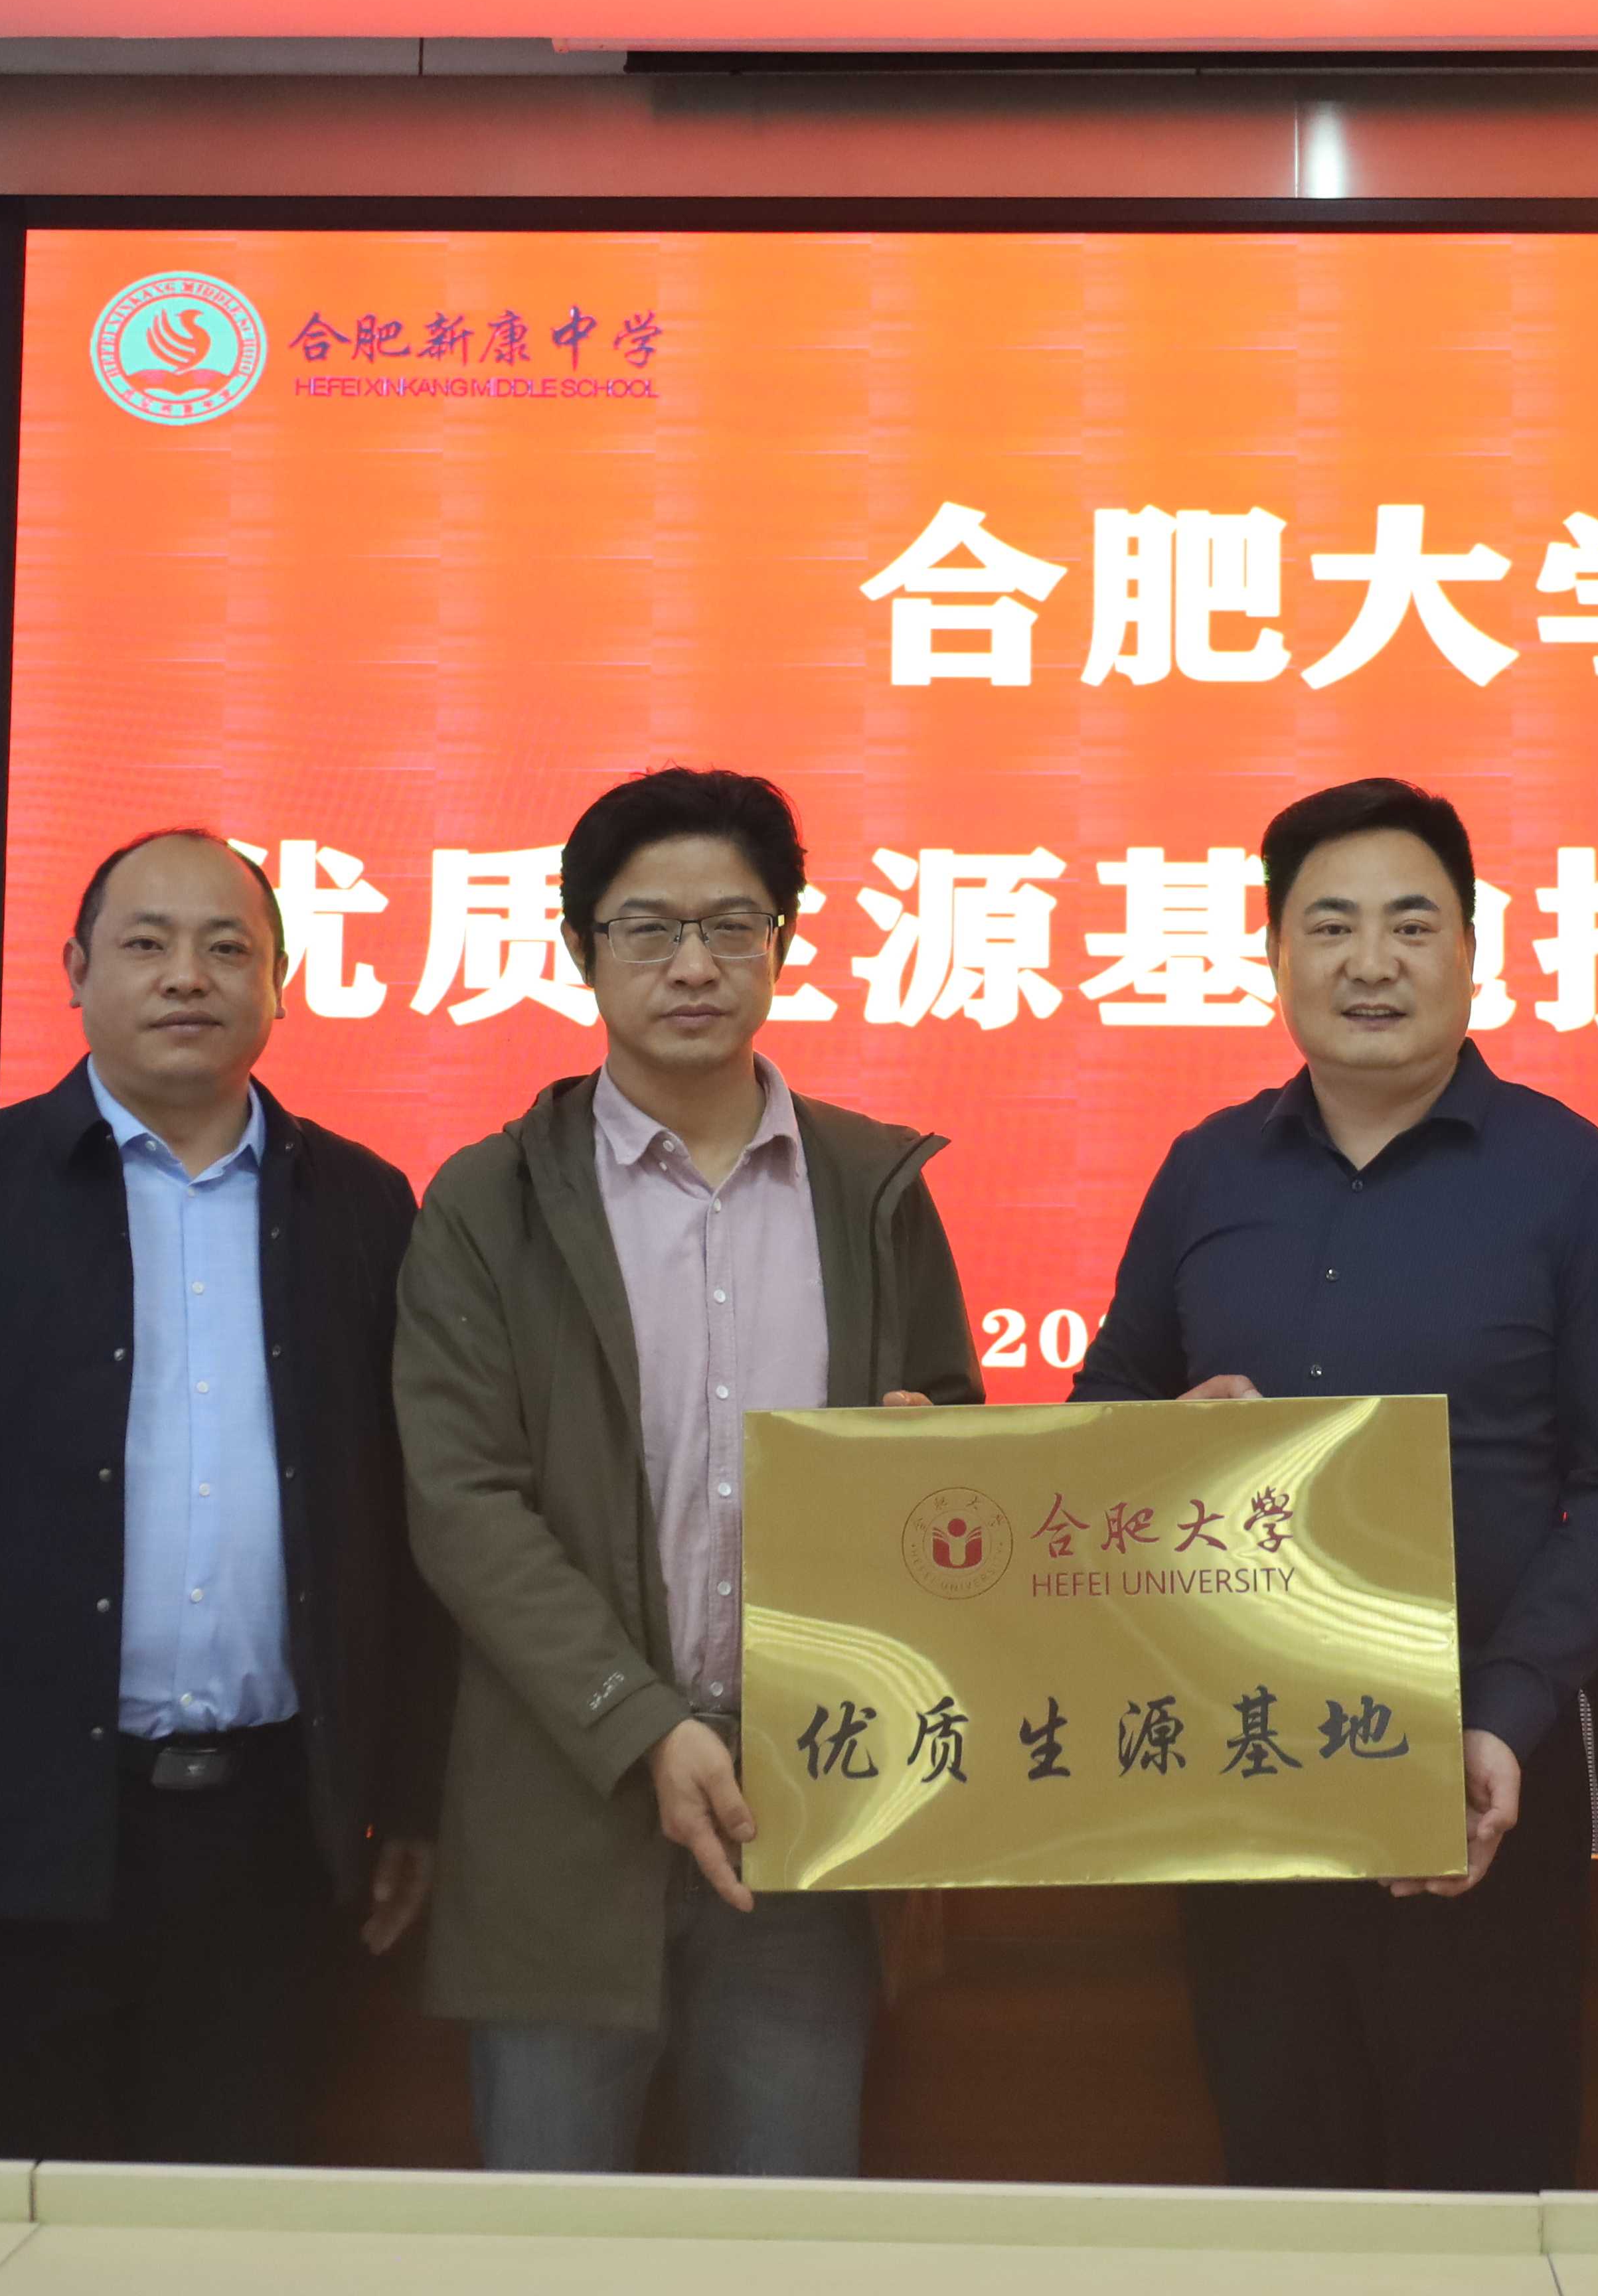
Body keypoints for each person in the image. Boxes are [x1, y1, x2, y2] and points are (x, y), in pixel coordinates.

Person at [0, 828, 447, 2163]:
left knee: (225, 2227)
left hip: (272, 1845)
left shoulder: (363, 1205)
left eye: (227, 947)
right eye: (147, 943)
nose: (186, 975)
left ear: (280, 985)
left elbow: (411, 1526)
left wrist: (412, 1796)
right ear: (77, 971)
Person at [1072, 777, 1598, 2193]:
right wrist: (1166, 1442)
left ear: (1472, 949)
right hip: (1238, 1769)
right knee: (1286, 2185)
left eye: (1412, 924)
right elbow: (1102, 1418)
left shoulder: (1569, 1177)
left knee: (1484, 2196)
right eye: (1330, 925)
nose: (1371, 962)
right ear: (1275, 952)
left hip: (1483, 1777)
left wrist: (1507, 1713)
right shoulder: (1207, 1171)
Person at [395, 767, 981, 2175]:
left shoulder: (875, 1189)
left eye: (732, 925)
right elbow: (463, 1506)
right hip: (565, 1807)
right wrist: (646, 1725)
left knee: (782, 2246)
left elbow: (959, 1450)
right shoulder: (490, 1199)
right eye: (649, 929)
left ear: (785, 941)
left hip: (806, 1814)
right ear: (580, 947)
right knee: (550, 2250)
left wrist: (930, 1461)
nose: (696, 964)